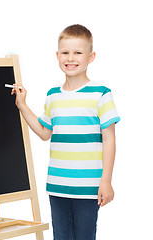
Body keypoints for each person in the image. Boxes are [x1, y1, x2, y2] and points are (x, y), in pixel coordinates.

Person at [11, 24, 120, 240]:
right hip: (57, 185)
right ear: (57, 55)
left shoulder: (101, 94)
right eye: (65, 52)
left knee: (84, 236)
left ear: (91, 57)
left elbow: (109, 139)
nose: (71, 58)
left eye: (78, 52)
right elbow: (44, 133)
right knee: (60, 236)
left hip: (88, 186)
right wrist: (22, 105)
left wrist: (106, 181)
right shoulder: (53, 95)